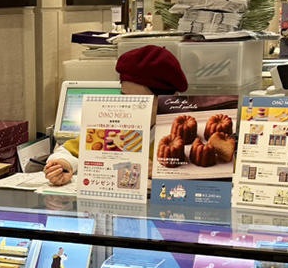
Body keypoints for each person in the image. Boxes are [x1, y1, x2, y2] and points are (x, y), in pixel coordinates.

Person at [44, 45, 188, 186]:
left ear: (168, 100)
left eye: (141, 102)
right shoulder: (115, 127)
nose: (130, 109)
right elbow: (67, 151)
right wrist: (63, 165)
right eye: (125, 98)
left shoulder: (184, 131)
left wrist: (162, 171)